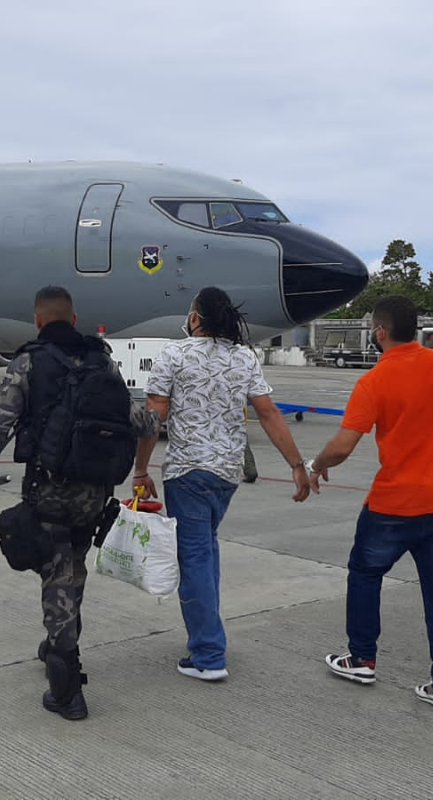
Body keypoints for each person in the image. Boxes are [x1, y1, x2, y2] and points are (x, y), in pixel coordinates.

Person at [0, 286, 161, 721]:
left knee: (56, 575)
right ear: (75, 316)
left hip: (51, 489)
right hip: (95, 491)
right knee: (71, 566)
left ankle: (66, 689)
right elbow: (140, 420)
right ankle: (56, 642)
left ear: (38, 320)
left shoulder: (29, 362)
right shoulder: (101, 361)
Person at [304, 296, 433, 715]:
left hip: (393, 503)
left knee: (365, 572)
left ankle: (362, 658)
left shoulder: (375, 380)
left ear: (380, 332)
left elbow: (344, 445)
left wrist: (317, 465)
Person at [133, 287, 310, 682]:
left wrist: (141, 469)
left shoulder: (174, 355)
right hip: (226, 474)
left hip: (187, 472)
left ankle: (209, 654)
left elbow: (153, 417)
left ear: (195, 316)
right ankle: (205, 633)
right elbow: (268, 413)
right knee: (206, 552)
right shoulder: (243, 357)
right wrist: (296, 464)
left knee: (194, 559)